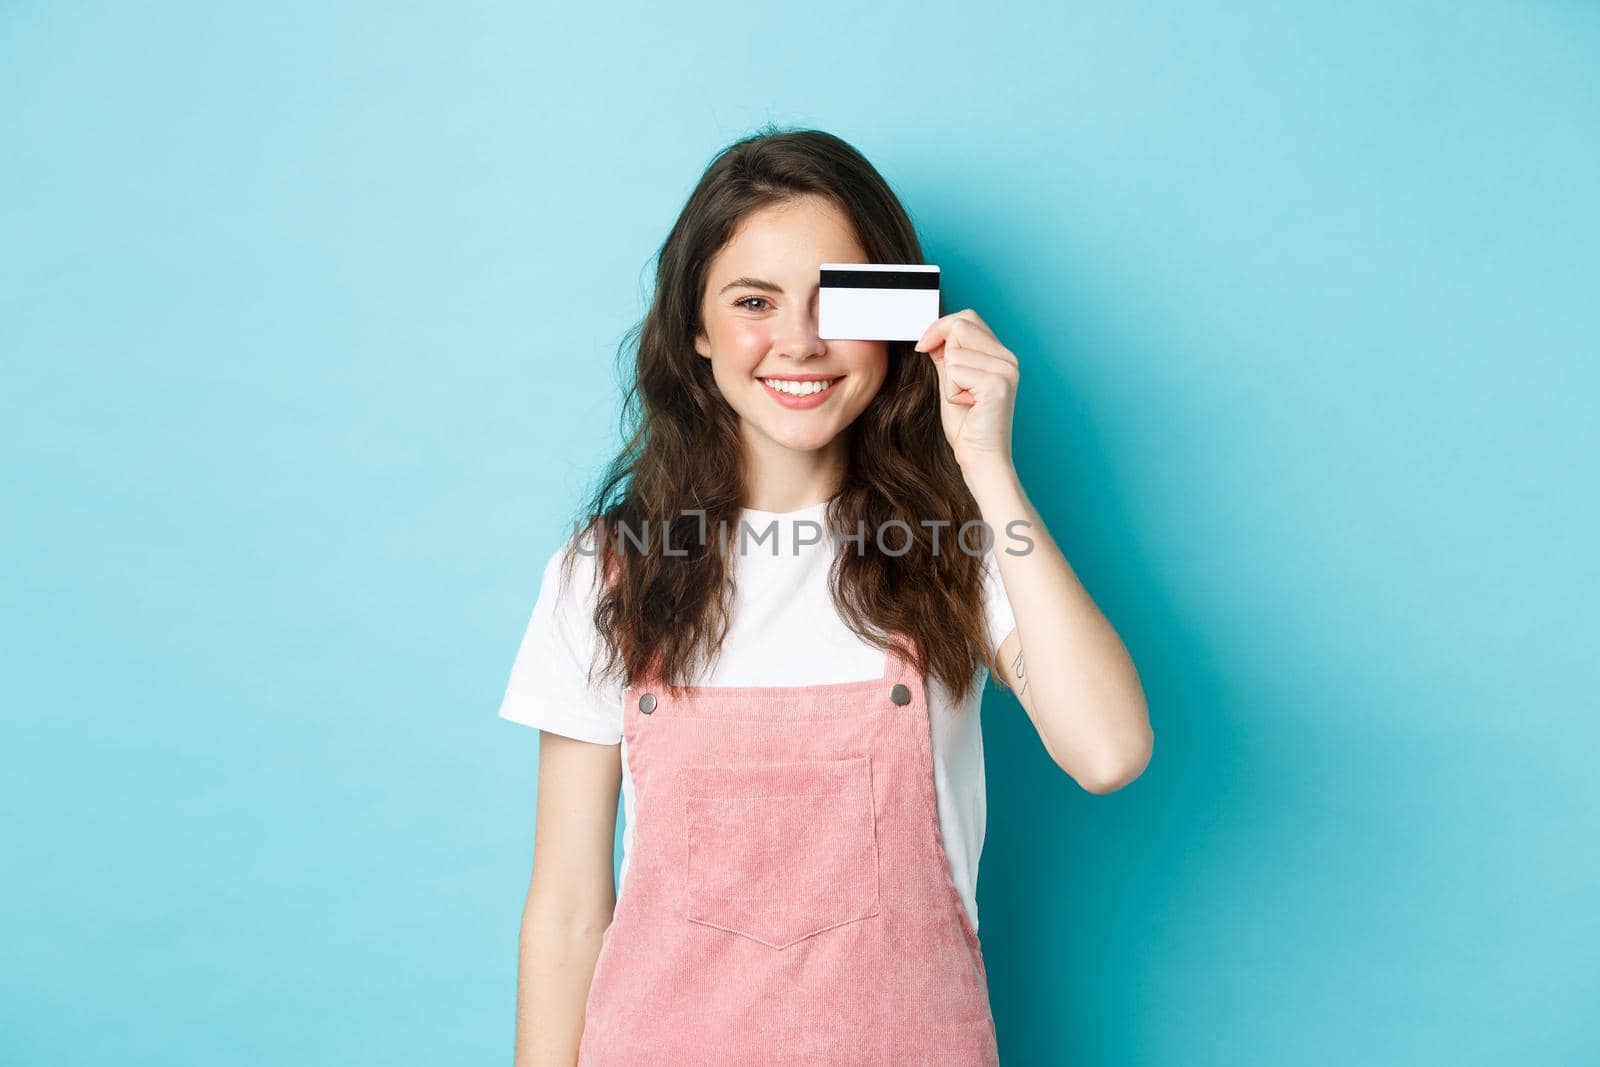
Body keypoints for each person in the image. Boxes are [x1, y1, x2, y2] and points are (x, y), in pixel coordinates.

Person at [496, 126, 1153, 1066]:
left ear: (898, 321)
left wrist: (987, 471)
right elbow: (565, 910)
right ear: (695, 327)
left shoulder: (957, 553)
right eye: (754, 300)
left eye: (837, 300)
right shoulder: (607, 570)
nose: (799, 340)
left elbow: (1109, 751)